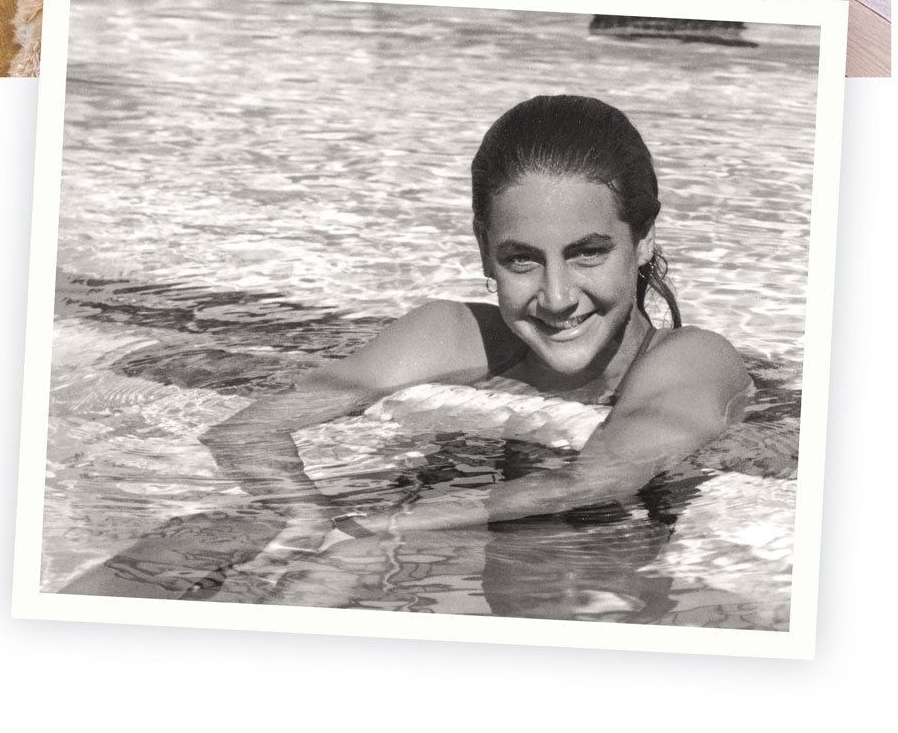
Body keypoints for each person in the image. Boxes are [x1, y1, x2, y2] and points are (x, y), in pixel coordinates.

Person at [61, 95, 753, 610]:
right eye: (521, 259)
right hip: (442, 557)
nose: (556, 295)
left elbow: (598, 481)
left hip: (589, 581)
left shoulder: (692, 358)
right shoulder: (458, 334)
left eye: (587, 253)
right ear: (485, 248)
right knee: (189, 541)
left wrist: (384, 523)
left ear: (645, 241)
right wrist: (305, 510)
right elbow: (247, 429)